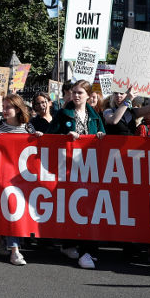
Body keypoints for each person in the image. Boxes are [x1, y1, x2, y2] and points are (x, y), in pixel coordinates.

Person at [48, 80, 105, 269]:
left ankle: (88, 250)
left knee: (89, 207)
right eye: (74, 92)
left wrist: (99, 137)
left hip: (89, 168)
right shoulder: (63, 113)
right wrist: (66, 138)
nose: (76, 96)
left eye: (80, 92)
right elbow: (50, 137)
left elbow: (103, 135)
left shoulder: (94, 116)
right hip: (68, 168)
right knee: (72, 205)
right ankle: (70, 243)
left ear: (88, 95)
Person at [0, 94, 42, 266]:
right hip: (1, 177)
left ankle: (3, 238)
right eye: (3, 106)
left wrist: (40, 137)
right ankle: (15, 251)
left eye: (8, 107)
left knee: (13, 212)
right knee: (12, 208)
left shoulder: (28, 128)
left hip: (22, 178)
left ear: (17, 109)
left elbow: (37, 150)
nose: (4, 110)